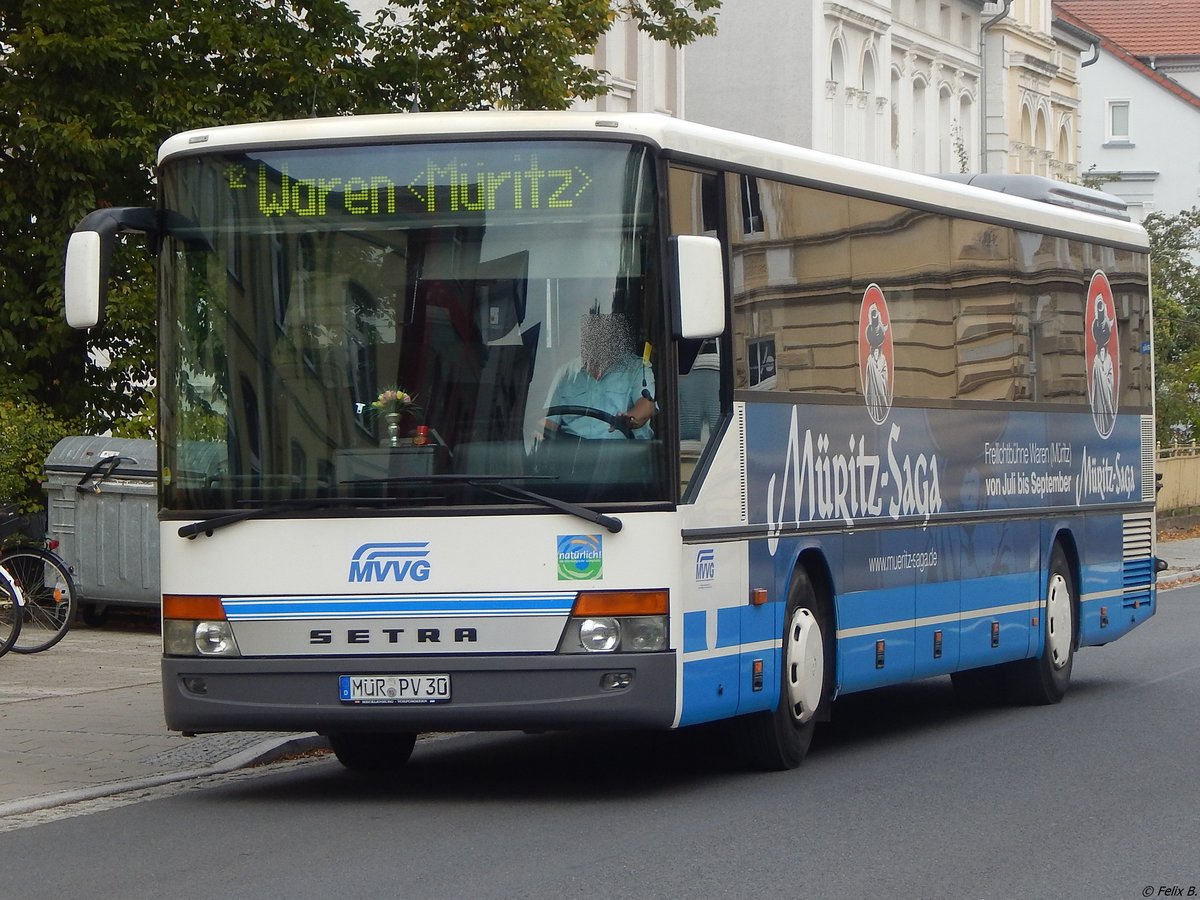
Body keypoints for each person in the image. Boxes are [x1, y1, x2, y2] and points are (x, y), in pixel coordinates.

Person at [542, 312, 656, 439]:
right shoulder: (566, 374)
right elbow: (549, 423)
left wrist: (629, 419)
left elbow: (646, 406)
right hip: (574, 452)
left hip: (623, 451)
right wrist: (530, 428)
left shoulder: (637, 368)